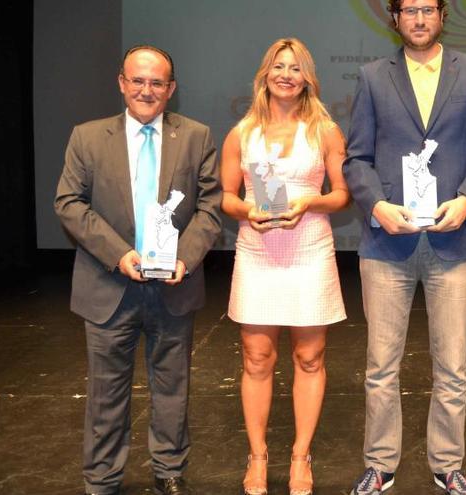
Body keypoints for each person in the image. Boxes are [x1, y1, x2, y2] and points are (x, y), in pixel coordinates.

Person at [343, 0, 466, 493]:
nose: (418, 18)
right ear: (396, 18)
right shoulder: (372, 77)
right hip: (387, 243)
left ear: (441, 16)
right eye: (409, 10)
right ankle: (380, 463)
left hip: (454, 240)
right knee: (380, 367)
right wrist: (376, 207)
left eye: (427, 9)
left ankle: (448, 464)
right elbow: (356, 159)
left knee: (452, 366)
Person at [54, 45, 222, 495]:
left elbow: (211, 206)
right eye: (138, 81)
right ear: (122, 82)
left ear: (171, 89)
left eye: (157, 83)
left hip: (174, 285)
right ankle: (102, 479)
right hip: (109, 284)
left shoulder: (196, 136)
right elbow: (68, 203)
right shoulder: (87, 137)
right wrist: (117, 253)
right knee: (106, 393)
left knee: (173, 388)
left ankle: (169, 471)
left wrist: (184, 258)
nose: (147, 90)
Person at [220, 38, 349, 495]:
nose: (287, 74)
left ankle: (300, 456)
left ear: (307, 77)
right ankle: (257, 456)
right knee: (257, 358)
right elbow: (227, 196)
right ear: (265, 74)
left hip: (310, 251)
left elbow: (342, 194)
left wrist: (310, 201)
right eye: (279, 66)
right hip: (258, 252)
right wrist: (246, 212)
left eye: (296, 68)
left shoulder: (326, 130)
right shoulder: (242, 132)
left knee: (309, 358)